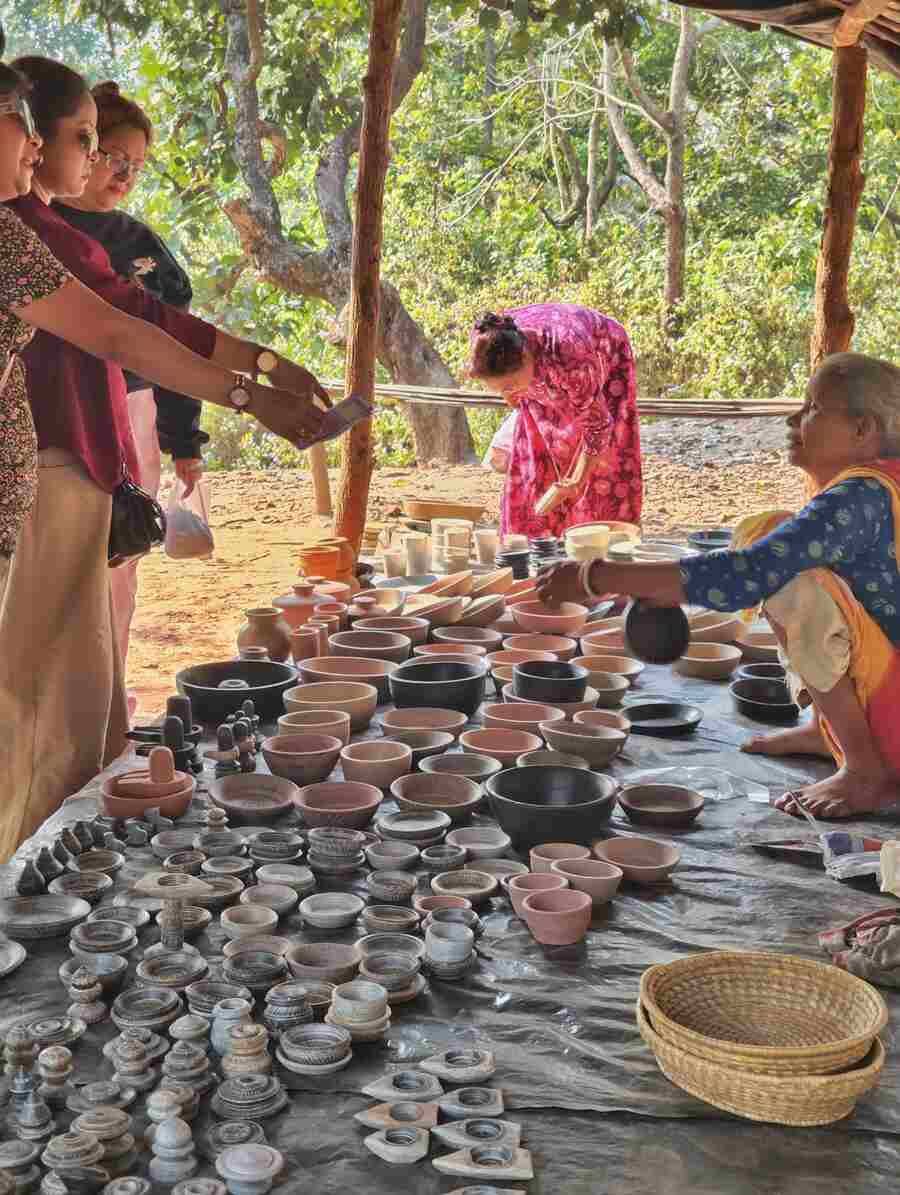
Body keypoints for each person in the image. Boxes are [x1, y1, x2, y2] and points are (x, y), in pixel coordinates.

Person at [0, 52, 330, 856]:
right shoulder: (24, 237)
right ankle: (32, 873)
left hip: (55, 477)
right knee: (39, 704)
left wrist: (261, 369)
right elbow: (122, 330)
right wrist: (255, 391)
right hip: (45, 477)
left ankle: (56, 861)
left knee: (74, 693)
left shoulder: (40, 235)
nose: (46, 155)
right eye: (79, 140)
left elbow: (145, 317)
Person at [535, 352, 900, 822]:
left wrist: (598, 577)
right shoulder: (880, 488)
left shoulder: (862, 496)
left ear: (862, 430)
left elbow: (748, 575)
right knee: (771, 530)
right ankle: (829, 729)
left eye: (812, 408)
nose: (794, 418)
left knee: (794, 586)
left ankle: (866, 768)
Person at [54, 81, 208, 714]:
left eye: (137, 164)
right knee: (53, 566)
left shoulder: (144, 247)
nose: (124, 172)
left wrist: (184, 444)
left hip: (131, 416)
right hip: (48, 417)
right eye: (112, 153)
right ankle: (56, 707)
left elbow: (176, 349)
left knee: (121, 556)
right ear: (77, 146)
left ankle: (108, 697)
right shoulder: (31, 227)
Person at [468, 305, 642, 538]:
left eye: (509, 386)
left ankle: (603, 547)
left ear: (526, 357)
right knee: (536, 457)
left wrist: (575, 480)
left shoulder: (568, 354)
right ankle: (535, 542)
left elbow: (599, 425)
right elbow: (512, 391)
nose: (507, 395)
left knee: (602, 466)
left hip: (606, 353)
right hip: (547, 366)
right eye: (498, 389)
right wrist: (513, 392)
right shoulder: (486, 343)